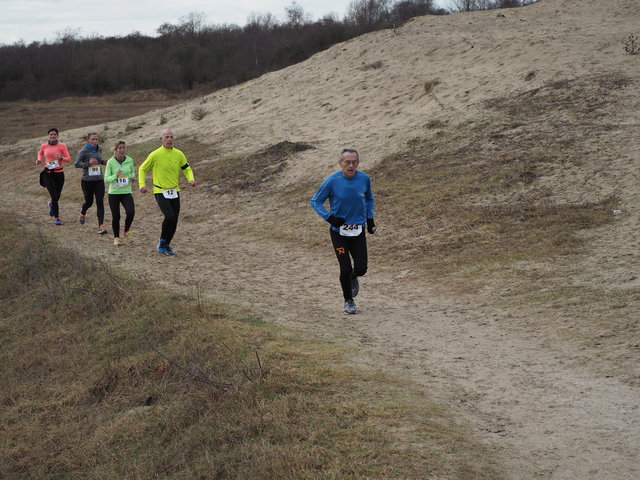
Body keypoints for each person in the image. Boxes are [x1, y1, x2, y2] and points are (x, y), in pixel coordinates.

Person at [310, 148, 377, 314]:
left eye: (354, 162)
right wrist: (329, 217)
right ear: (341, 163)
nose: (351, 165)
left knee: (361, 269)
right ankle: (348, 301)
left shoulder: (364, 178)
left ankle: (353, 277)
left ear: (358, 163)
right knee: (345, 268)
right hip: (338, 231)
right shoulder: (332, 181)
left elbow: (369, 199)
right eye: (347, 162)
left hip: (358, 230)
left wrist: (370, 220)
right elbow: (315, 201)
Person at [138, 128, 195, 255]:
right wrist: (142, 185)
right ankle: (162, 241)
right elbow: (142, 168)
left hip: (174, 190)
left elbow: (187, 168)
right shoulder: (155, 154)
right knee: (169, 216)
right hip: (160, 190)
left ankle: (167, 244)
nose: (169, 139)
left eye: (171, 137)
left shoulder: (179, 154)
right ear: (161, 139)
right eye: (166, 137)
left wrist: (191, 179)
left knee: (174, 219)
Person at [36, 127, 71, 225]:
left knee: (57, 195)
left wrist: (61, 158)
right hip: (48, 174)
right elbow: (40, 153)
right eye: (51, 134)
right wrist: (39, 160)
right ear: (48, 136)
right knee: (54, 195)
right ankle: (57, 218)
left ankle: (51, 204)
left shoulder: (62, 146)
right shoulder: (44, 146)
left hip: (59, 173)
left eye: (54, 134)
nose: (53, 136)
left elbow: (68, 159)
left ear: (57, 135)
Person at [74, 132, 107, 234]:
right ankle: (83, 212)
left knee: (100, 202)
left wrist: (103, 162)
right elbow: (76, 164)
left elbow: (99, 160)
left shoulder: (99, 149)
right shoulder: (83, 151)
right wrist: (88, 163)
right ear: (88, 140)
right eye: (92, 139)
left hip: (99, 180)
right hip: (87, 181)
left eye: (96, 139)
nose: (95, 141)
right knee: (89, 202)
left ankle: (101, 226)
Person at [104, 140, 136, 246]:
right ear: (115, 149)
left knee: (131, 212)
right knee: (116, 216)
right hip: (114, 193)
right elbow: (106, 179)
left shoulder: (129, 160)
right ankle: (116, 238)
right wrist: (115, 176)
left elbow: (132, 172)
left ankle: (126, 230)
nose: (122, 150)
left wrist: (132, 177)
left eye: (123, 148)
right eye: (120, 148)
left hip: (126, 191)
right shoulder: (110, 162)